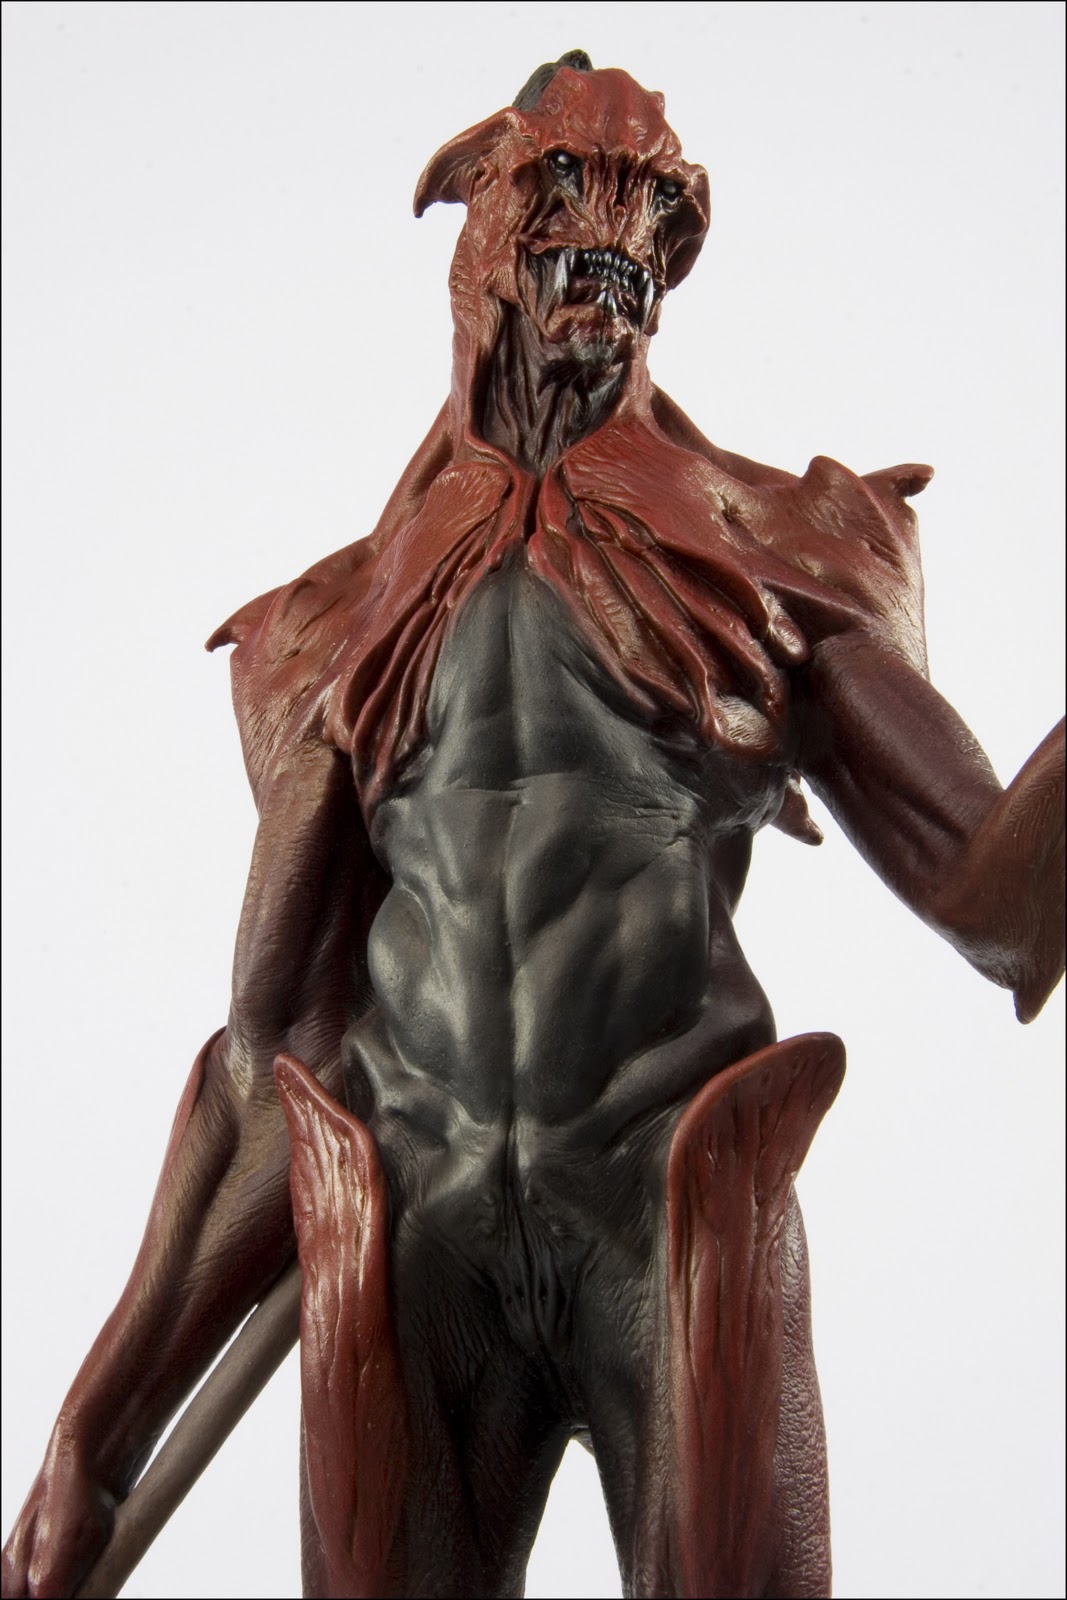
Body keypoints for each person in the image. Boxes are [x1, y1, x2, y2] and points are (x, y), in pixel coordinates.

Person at [3, 54, 1063, 1600]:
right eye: (564, 183)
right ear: (477, 220)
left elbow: (1000, 905)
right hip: (416, 1236)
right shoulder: (329, 628)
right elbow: (274, 1056)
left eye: (656, 210)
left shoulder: (770, 552)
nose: (618, 234)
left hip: (663, 1205)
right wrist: (91, 1441)